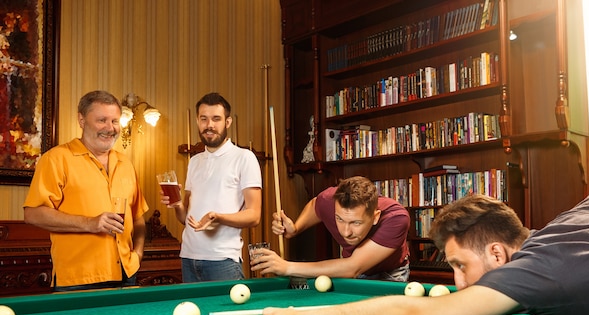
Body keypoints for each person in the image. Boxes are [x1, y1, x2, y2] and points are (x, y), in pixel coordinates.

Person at [241, 173, 589, 315]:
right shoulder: (571, 219)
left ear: (497, 253)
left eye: (460, 266)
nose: (457, 283)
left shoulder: (535, 269)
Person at [23, 90, 149, 291]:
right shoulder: (56, 159)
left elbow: (138, 218)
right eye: (102, 120)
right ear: (81, 120)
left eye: (115, 121)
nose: (110, 128)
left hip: (127, 275)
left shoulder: (126, 164)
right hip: (77, 280)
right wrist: (91, 223)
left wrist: (138, 256)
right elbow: (33, 213)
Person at [161, 93, 262, 282]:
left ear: (228, 122)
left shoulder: (244, 157)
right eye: (204, 119)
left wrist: (219, 217)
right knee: (192, 312)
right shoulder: (195, 161)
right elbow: (185, 218)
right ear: (198, 121)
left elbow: (254, 215)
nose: (209, 125)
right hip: (188, 257)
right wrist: (176, 204)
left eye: (216, 119)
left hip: (222, 260)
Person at [250, 175, 411, 281]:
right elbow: (315, 204)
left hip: (390, 273)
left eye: (356, 223)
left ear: (375, 217)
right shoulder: (329, 200)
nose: (346, 232)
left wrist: (287, 267)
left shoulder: (396, 218)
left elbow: (353, 267)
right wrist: (296, 229)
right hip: (351, 268)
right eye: (339, 219)